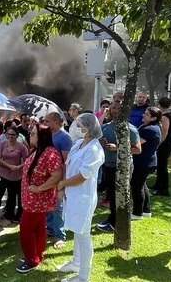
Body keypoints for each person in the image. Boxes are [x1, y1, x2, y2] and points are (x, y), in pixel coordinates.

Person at [56, 113, 105, 282]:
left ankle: (84, 276)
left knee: (83, 235)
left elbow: (83, 175)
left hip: (83, 196)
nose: (77, 128)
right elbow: (68, 165)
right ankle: (76, 263)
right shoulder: (78, 144)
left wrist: (62, 185)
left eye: (81, 125)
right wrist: (63, 185)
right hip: (72, 195)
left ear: (90, 129)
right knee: (76, 231)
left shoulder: (94, 149)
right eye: (77, 124)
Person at [17, 124, 64, 273]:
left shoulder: (50, 154)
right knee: (38, 228)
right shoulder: (37, 150)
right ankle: (37, 255)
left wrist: (39, 188)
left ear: (41, 136)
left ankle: (31, 261)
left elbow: (57, 175)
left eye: (33, 133)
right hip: (31, 199)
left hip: (37, 201)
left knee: (26, 229)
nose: (30, 135)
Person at [96, 101, 141, 233]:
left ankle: (116, 223)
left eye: (119, 108)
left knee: (119, 195)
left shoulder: (129, 128)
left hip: (122, 166)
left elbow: (137, 149)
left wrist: (118, 148)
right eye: (113, 107)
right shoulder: (106, 126)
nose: (115, 110)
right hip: (108, 165)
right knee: (112, 194)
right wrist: (102, 142)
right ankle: (112, 219)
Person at [42, 112, 72, 249]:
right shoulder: (47, 135)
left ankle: (60, 235)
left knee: (57, 207)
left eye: (47, 121)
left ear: (56, 122)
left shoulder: (64, 137)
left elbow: (66, 162)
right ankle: (49, 228)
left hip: (58, 177)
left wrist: (63, 183)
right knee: (48, 205)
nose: (45, 123)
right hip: (46, 177)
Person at [0, 126, 28, 226]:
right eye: (9, 134)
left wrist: (18, 167)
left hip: (16, 176)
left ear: (17, 136)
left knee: (12, 197)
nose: (10, 136)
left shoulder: (21, 147)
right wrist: (9, 166)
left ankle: (10, 216)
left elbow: (27, 160)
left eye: (13, 135)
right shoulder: (3, 144)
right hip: (2, 174)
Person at [131, 106, 162, 219]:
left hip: (144, 162)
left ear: (153, 118)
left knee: (136, 186)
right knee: (142, 185)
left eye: (147, 114)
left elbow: (137, 143)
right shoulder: (149, 127)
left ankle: (137, 212)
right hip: (146, 161)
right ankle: (146, 210)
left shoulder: (150, 129)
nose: (143, 115)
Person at [151, 97, 171, 196]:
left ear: (159, 105)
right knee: (160, 165)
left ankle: (164, 188)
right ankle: (158, 184)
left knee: (162, 166)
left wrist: (158, 143)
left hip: (165, 144)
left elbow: (164, 131)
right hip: (170, 143)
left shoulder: (164, 116)